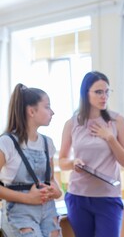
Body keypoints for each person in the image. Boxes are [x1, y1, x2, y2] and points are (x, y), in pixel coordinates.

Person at [58, 71, 124, 237]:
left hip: (108, 198)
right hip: (78, 197)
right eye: (99, 92)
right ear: (86, 93)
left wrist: (110, 138)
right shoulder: (72, 123)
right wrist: (73, 163)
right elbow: (62, 161)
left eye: (107, 91)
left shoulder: (117, 121)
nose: (104, 96)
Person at [0, 83, 62, 237]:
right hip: (19, 213)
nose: (52, 112)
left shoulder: (48, 143)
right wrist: (27, 197)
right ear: (31, 111)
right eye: (47, 107)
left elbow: (51, 179)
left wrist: (56, 190)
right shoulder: (6, 142)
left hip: (48, 210)